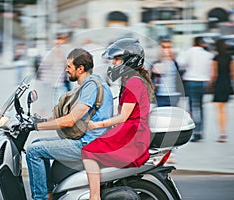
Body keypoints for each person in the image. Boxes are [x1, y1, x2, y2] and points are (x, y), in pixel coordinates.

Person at [26, 48, 113, 200]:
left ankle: (40, 198)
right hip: (90, 139)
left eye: (69, 66)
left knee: (34, 151)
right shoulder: (92, 82)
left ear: (80, 69)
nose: (65, 69)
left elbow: (70, 120)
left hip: (87, 143)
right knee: (37, 142)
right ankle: (49, 193)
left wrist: (36, 127)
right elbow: (66, 114)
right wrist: (41, 120)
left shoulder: (91, 87)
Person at [81, 38, 154, 200]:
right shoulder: (131, 80)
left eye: (117, 59)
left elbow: (123, 117)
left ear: (129, 60)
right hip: (130, 131)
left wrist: (96, 125)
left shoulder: (133, 82)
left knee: (88, 151)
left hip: (132, 136)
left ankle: (94, 196)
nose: (113, 63)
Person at [176, 36, 214, 142]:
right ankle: (201, 131)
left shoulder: (188, 52)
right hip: (203, 82)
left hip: (190, 81)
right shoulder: (208, 54)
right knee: (201, 107)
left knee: (192, 107)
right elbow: (211, 68)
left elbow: (180, 64)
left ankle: (194, 131)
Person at [210, 39, 234, 142]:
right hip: (227, 84)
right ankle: (224, 133)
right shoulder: (230, 58)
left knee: (219, 110)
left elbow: (214, 74)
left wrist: (210, 85)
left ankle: (221, 133)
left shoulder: (215, 58)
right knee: (224, 110)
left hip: (218, 84)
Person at [151, 39, 182, 107]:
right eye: (164, 47)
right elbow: (151, 80)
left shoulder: (175, 63)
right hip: (160, 96)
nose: (166, 50)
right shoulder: (156, 63)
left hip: (174, 95)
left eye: (169, 47)